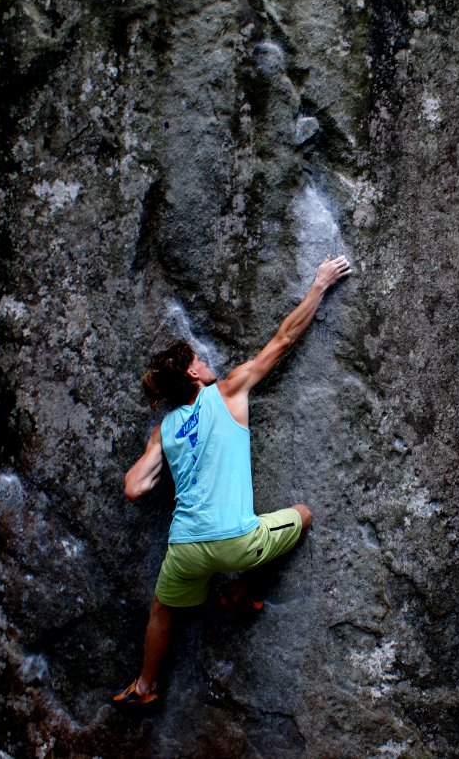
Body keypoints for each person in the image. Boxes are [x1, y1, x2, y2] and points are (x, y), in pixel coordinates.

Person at [112, 255, 352, 706]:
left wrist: (163, 454)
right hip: (235, 541)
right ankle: (241, 590)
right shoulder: (228, 392)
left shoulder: (163, 430)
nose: (205, 361)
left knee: (162, 607)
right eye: (198, 359)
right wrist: (318, 285)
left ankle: (144, 686)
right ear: (192, 374)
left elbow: (134, 487)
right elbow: (282, 340)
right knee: (302, 516)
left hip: (184, 550)